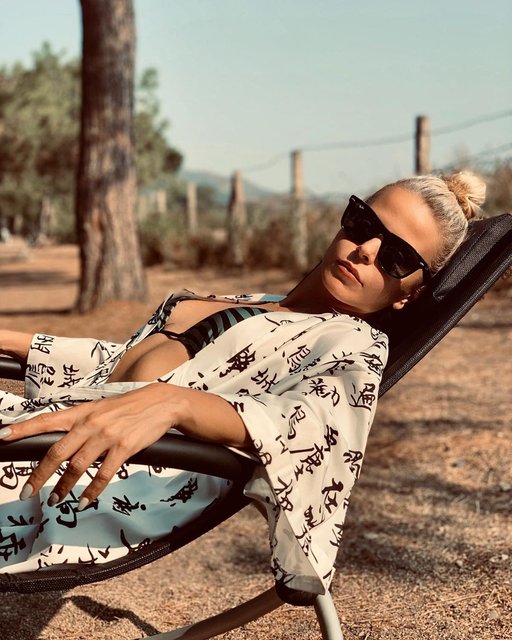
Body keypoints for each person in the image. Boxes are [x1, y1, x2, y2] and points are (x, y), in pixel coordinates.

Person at [0, 171, 485, 594]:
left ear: (408, 296)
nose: (366, 250)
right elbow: (127, 369)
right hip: (49, 435)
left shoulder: (352, 342)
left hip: (78, 482)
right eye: (364, 224)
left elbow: (312, 426)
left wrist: (176, 404)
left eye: (396, 257)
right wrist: (15, 341)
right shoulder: (267, 303)